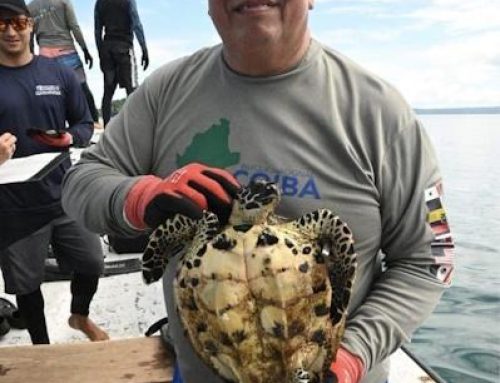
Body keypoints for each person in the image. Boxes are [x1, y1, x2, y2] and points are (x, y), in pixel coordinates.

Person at [62, 1, 455, 382]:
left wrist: (351, 355)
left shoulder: (383, 114)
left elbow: (431, 259)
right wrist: (140, 197)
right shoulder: (164, 92)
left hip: (321, 373)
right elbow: (82, 180)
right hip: (206, 367)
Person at [0, 0, 109, 344]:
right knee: (27, 285)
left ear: (31, 25)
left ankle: (80, 315)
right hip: (13, 205)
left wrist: (68, 137)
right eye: (1, 24)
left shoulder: (57, 72)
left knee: (92, 260)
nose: (11, 31)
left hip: (63, 194)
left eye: (18, 22)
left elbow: (84, 124)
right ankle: (41, 349)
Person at [28, 0, 101, 130]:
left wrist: (31, 58)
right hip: (67, 52)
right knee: (82, 87)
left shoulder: (30, 7)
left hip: (45, 55)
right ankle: (94, 123)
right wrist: (85, 50)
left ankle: (55, 128)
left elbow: (30, 37)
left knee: (52, 92)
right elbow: (74, 26)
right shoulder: (63, 2)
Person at [94, 0, 149, 127]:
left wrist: (100, 52)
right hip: (124, 49)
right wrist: (144, 48)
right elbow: (136, 24)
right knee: (132, 90)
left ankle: (107, 131)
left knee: (108, 92)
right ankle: (135, 129)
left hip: (107, 49)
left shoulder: (100, 2)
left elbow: (97, 30)